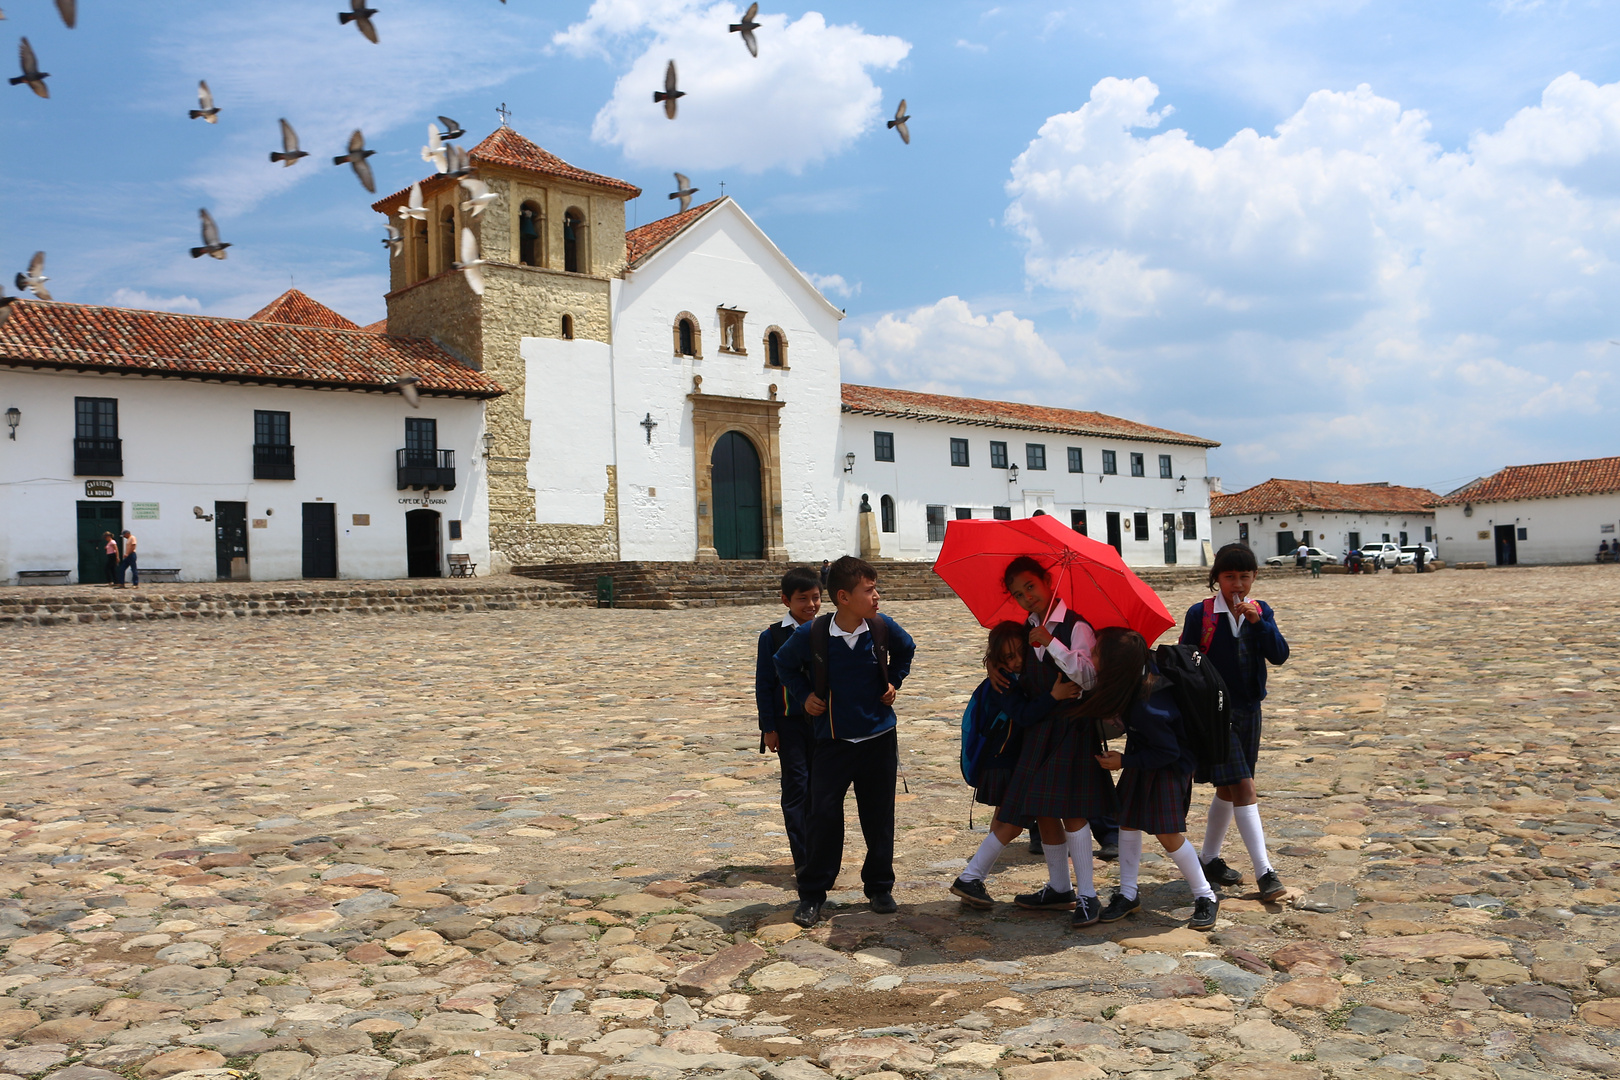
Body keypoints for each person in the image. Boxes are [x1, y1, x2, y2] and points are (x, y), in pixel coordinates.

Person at [776, 556, 917, 928]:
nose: (876, 597)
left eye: (875, 589)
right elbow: (783, 664)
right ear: (843, 597)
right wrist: (804, 694)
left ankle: (880, 886)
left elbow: (907, 650)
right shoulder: (814, 634)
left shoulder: (881, 628)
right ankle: (813, 894)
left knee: (879, 815)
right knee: (822, 816)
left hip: (879, 739)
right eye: (869, 591)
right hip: (832, 741)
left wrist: (894, 682)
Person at [993, 556, 1116, 927]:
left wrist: (1053, 645)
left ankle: (1089, 897)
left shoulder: (1077, 627)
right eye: (1018, 593)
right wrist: (992, 663)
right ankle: (1059, 888)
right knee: (1045, 810)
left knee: (1073, 811)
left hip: (1072, 730)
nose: (1027, 597)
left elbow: (1090, 677)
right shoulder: (1027, 627)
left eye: (1030, 586)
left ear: (1048, 581)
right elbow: (1012, 659)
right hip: (1040, 731)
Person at [1091, 627, 1222, 930]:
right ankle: (1127, 893)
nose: (1091, 657)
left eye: (1096, 653)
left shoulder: (1149, 706)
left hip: (1167, 769)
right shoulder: (1134, 683)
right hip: (1145, 760)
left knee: (1168, 834)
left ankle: (1205, 895)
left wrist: (1124, 760)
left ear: (1113, 665)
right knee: (1127, 821)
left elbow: (1168, 752)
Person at [1181, 543, 1290, 902]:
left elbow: (1279, 655)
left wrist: (1259, 624)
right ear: (1217, 579)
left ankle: (1209, 859)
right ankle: (1265, 872)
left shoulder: (1262, 612)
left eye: (1245, 576)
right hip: (1215, 713)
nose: (1237, 584)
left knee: (1229, 788)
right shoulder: (1202, 614)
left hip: (1249, 709)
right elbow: (1186, 659)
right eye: (1229, 577)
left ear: (1255, 577)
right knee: (1243, 786)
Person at [950, 621, 1080, 909]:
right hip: (1008, 760)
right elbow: (1024, 715)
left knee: (1046, 817)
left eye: (1020, 652)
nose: (1017, 660)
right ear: (998, 661)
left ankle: (1060, 888)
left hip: (1024, 756)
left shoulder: (1022, 673)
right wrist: (1054, 697)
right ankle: (970, 877)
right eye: (1008, 657)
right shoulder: (1004, 682)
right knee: (1011, 822)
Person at [755, 567, 823, 871]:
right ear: (786, 600)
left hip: (824, 723)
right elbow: (764, 684)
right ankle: (804, 858)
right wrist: (768, 728)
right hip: (789, 723)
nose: (810, 605)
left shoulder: (828, 631)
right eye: (802, 599)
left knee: (821, 789)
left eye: (816, 597)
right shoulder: (772, 636)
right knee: (796, 786)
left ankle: (821, 850)